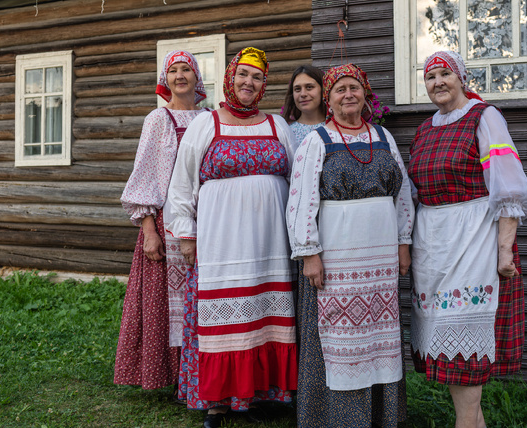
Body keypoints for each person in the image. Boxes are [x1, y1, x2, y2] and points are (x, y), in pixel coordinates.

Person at [165, 47, 298, 428]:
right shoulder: (206, 125)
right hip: (221, 244)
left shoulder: (277, 126)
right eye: (242, 75)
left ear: (264, 85)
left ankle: (255, 394)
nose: (248, 82)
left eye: (257, 77)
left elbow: (296, 182)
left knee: (262, 318)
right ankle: (217, 403)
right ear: (229, 78)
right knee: (220, 322)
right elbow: (182, 184)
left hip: (269, 246)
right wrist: (187, 235)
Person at [408, 51, 527, 428]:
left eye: (445, 74)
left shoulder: (485, 117)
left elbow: (507, 186)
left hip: (474, 241)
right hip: (433, 246)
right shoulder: (425, 128)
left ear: (461, 78)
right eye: (430, 77)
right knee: (446, 354)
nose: (438, 82)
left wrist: (504, 250)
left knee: (464, 356)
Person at [286, 63, 413, 428]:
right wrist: (309, 253)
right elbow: (300, 201)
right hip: (335, 257)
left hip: (380, 256)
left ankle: (382, 417)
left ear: (365, 93)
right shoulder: (317, 141)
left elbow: (402, 193)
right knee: (338, 337)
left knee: (378, 335)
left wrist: (404, 242)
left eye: (354, 88)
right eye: (340, 89)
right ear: (329, 97)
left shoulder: (383, 138)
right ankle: (333, 419)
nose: (348, 95)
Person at [115, 50, 209, 391]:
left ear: (197, 77)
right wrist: (149, 230)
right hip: (166, 224)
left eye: (187, 69)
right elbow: (145, 176)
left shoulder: (210, 118)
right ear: (165, 80)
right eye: (174, 71)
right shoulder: (158, 119)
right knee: (167, 304)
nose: (181, 76)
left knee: (202, 295)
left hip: (208, 221)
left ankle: (201, 372)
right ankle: (167, 375)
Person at [282, 65, 327, 145]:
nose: (303, 94)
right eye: (297, 89)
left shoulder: (336, 129)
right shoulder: (286, 133)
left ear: (323, 90)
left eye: (309, 87)